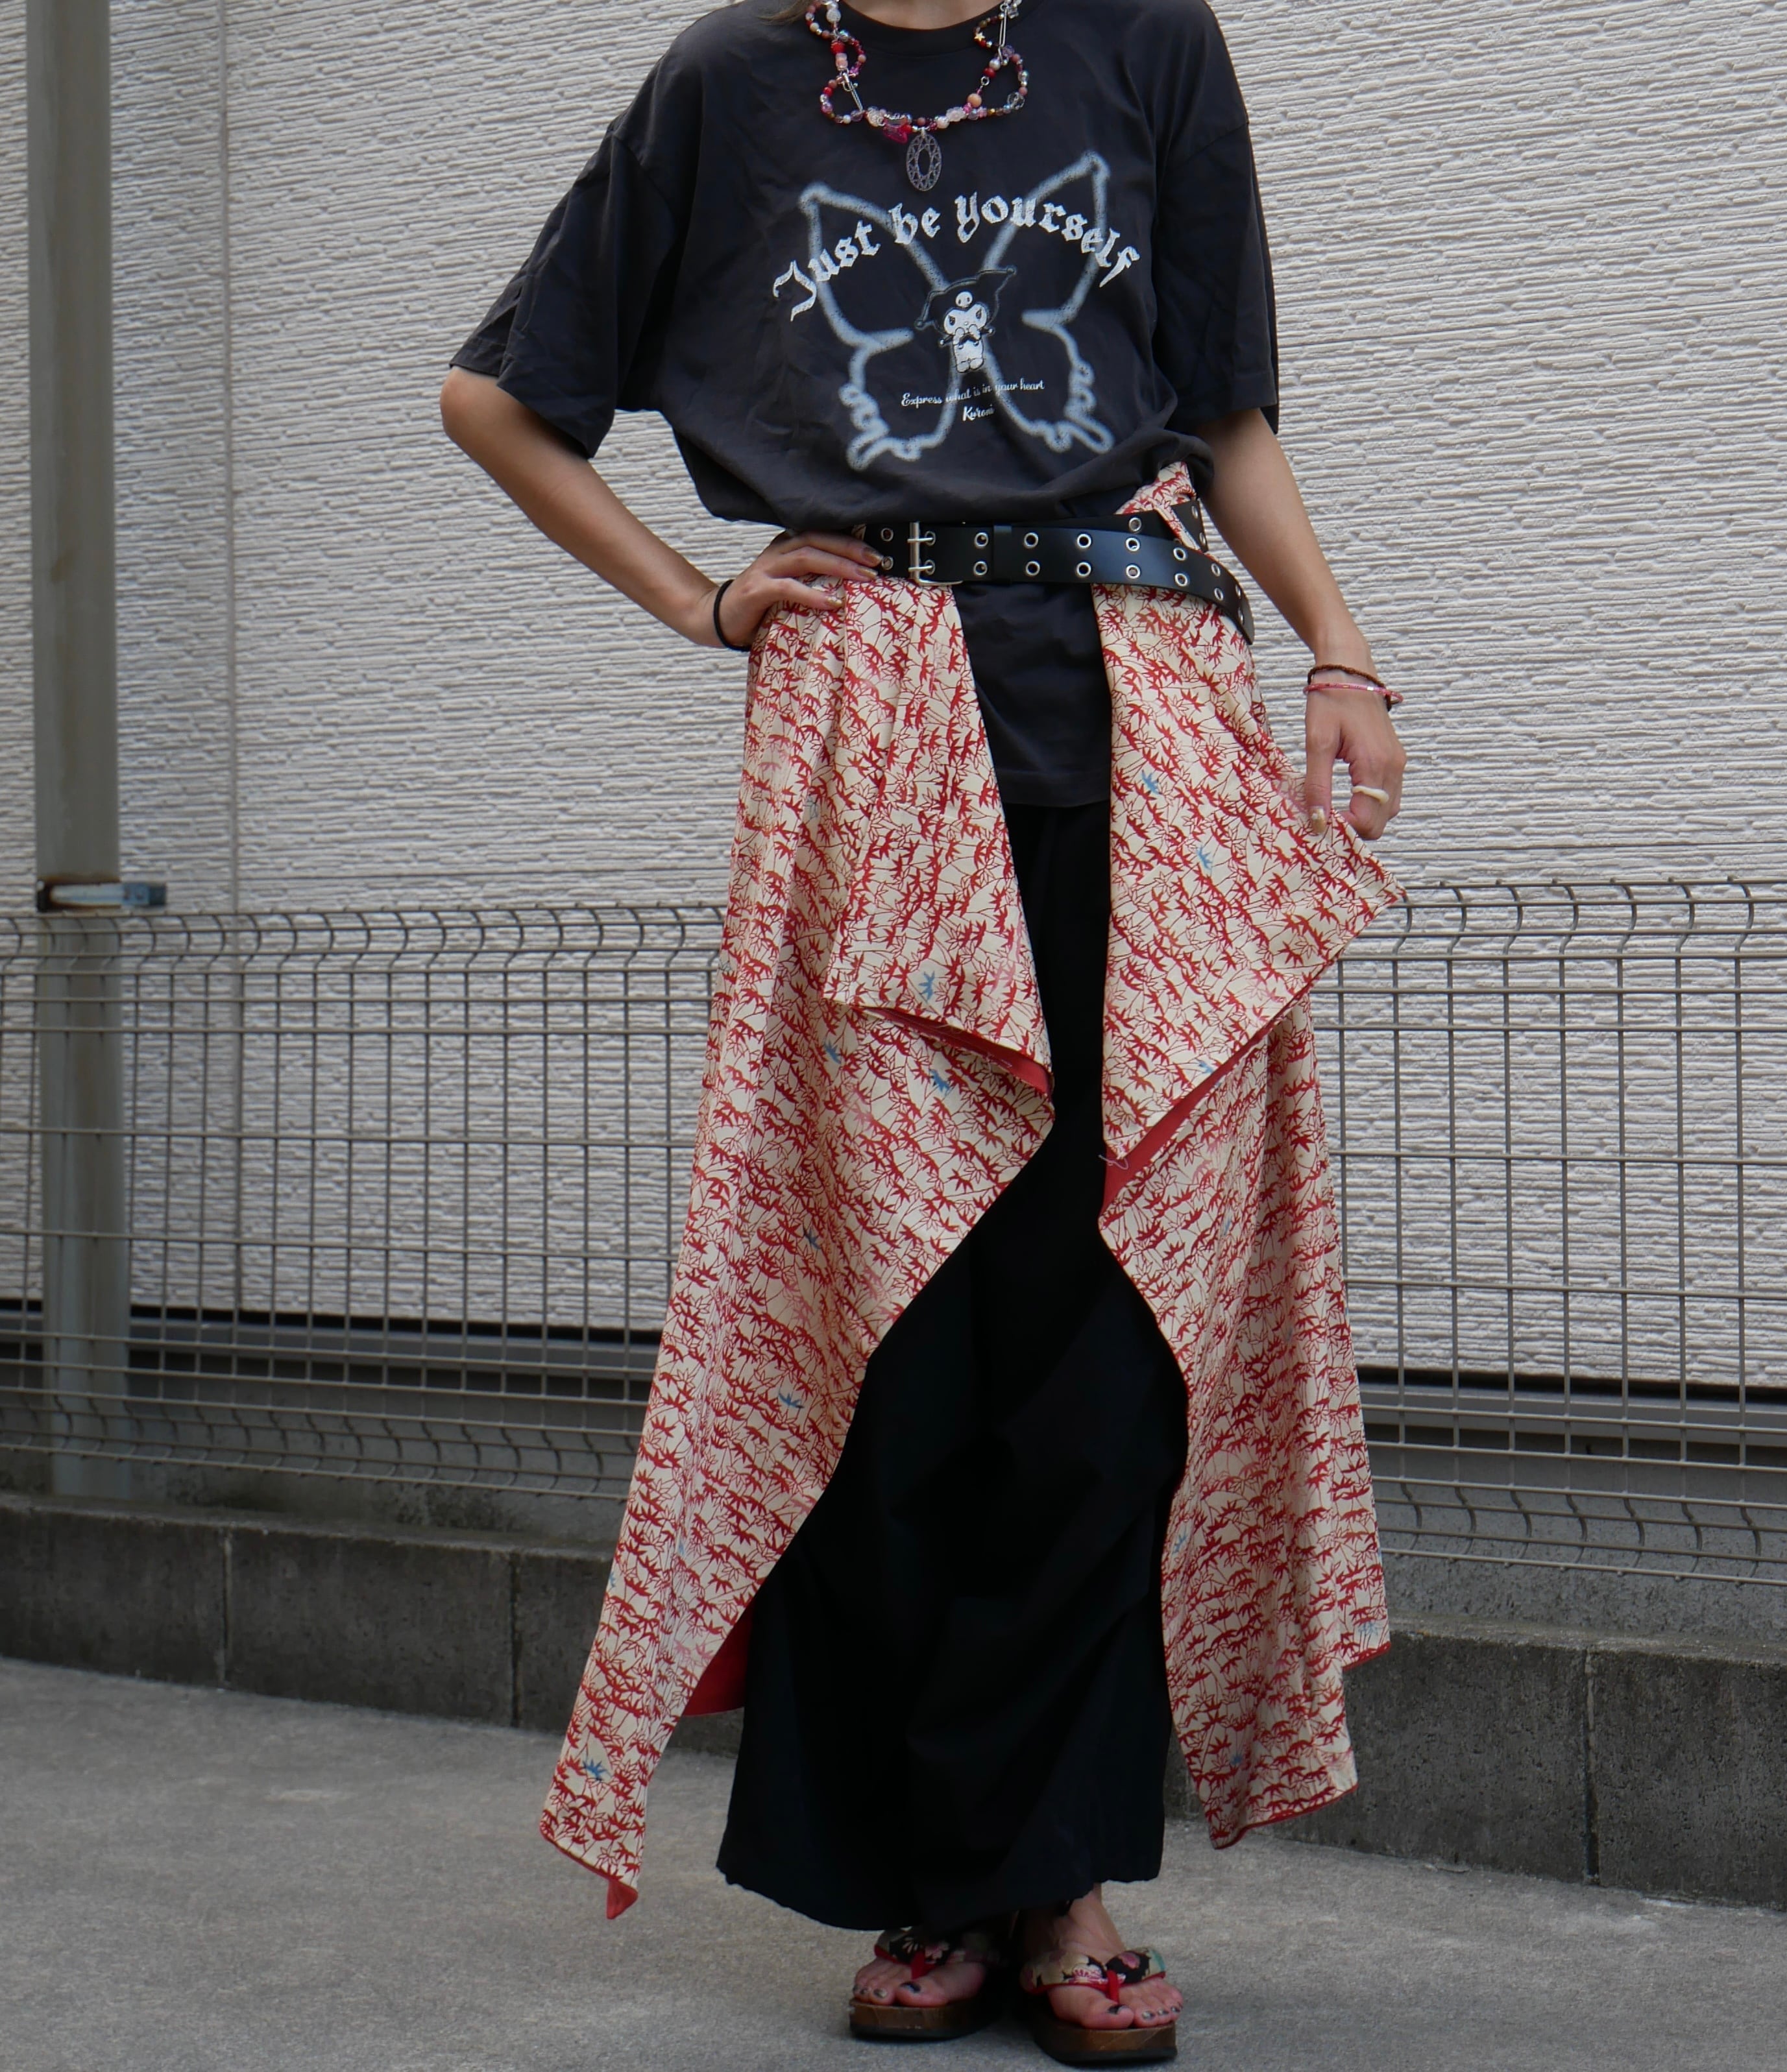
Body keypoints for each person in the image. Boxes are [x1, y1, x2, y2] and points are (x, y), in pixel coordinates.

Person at [441, 1, 1405, 2059]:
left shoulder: (1142, 44)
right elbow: (500, 400)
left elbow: (1224, 416)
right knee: (891, 1332)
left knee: (1122, 1344)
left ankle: (1047, 1886)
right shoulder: (727, 83)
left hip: (1147, 738)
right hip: (876, 756)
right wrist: (697, 598)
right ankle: (946, 1887)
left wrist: (1341, 653)